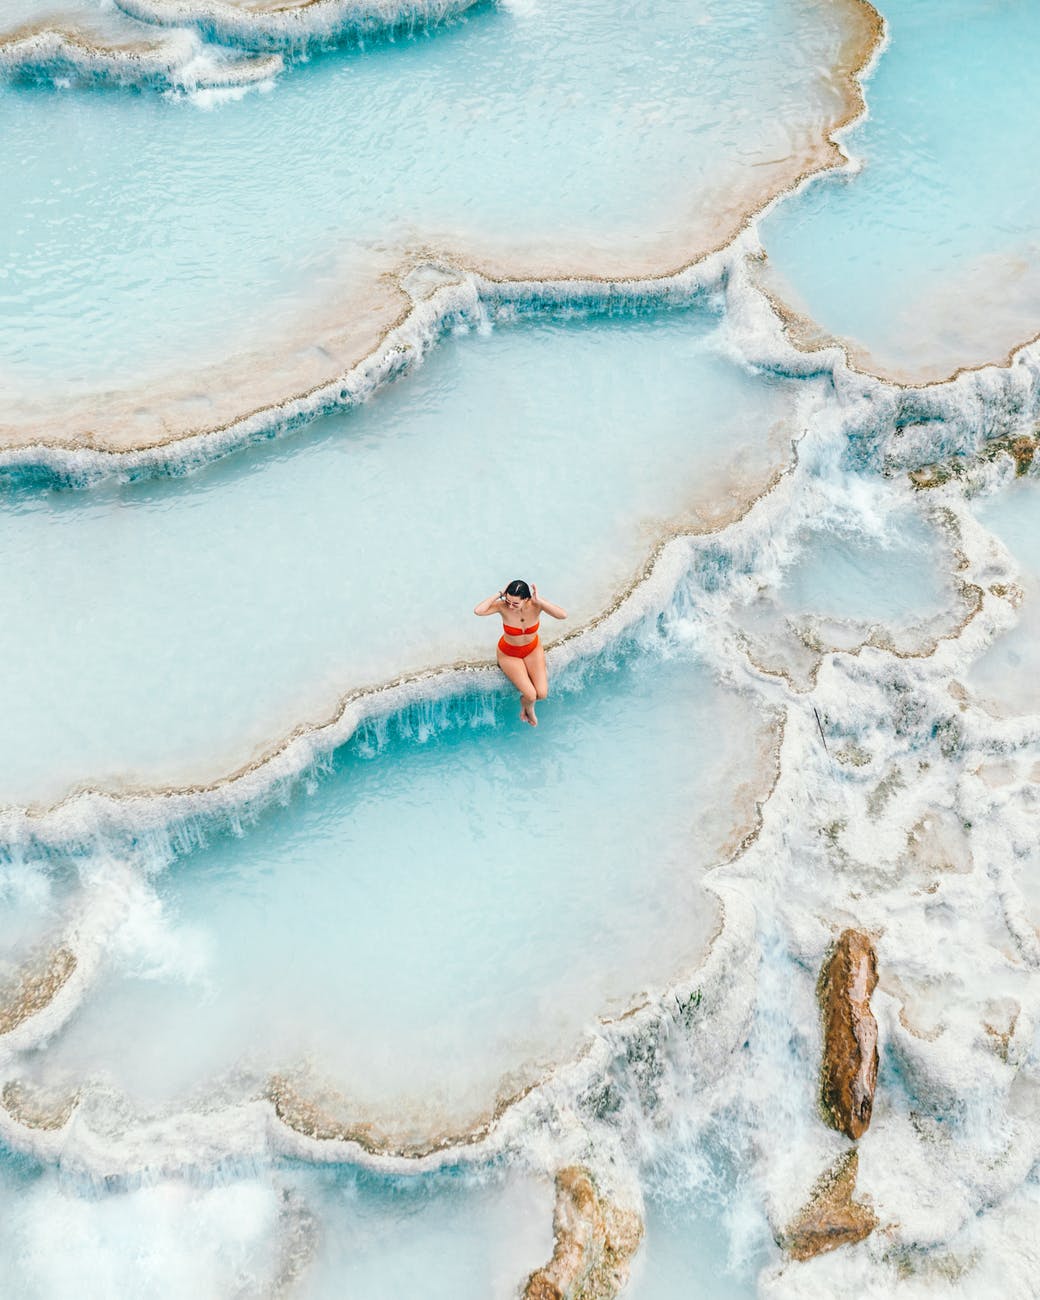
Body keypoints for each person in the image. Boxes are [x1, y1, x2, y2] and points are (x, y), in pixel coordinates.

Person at [473, 579, 567, 726]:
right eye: (508, 601)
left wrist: (540, 601)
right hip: (509, 653)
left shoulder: (536, 605)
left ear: (526, 599)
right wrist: (499, 594)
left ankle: (526, 706)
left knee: (541, 694)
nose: (510, 606)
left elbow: (563, 615)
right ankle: (528, 708)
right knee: (530, 695)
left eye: (515, 603)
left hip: (532, 649)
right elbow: (478, 611)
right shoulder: (502, 606)